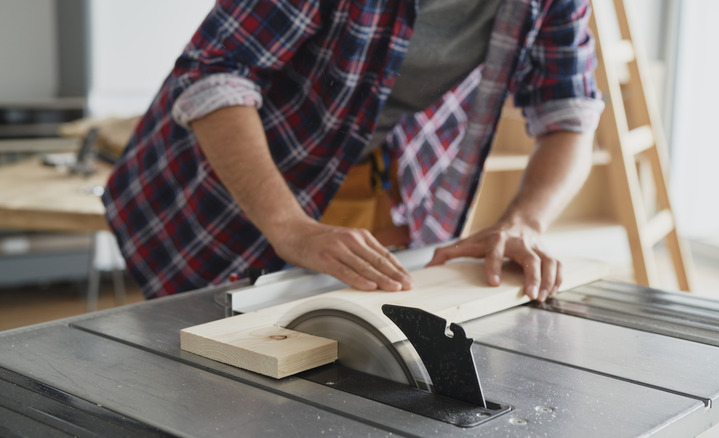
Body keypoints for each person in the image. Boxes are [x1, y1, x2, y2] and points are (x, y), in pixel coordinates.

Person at [102, 0, 603, 301]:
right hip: (216, 180)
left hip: (376, 171)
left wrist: (525, 222)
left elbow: (569, 113)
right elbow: (216, 73)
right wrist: (289, 226)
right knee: (194, 361)